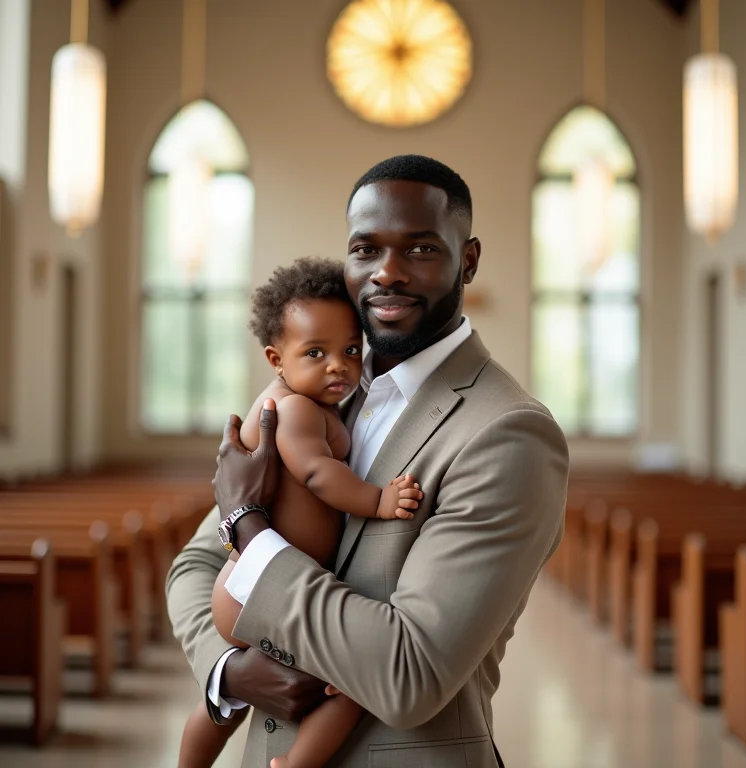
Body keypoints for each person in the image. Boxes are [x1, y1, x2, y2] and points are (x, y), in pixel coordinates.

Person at [167, 154, 570, 768]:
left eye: (420, 250)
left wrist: (247, 524)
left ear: (468, 259)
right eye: (366, 249)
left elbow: (410, 673)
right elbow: (196, 565)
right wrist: (231, 673)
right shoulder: (313, 396)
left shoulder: (509, 433)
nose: (387, 273)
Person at [177, 257, 423, 768]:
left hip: (263, 581)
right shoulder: (291, 409)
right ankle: (297, 763)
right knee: (352, 686)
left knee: (234, 702)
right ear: (276, 358)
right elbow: (315, 473)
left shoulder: (318, 400)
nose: (339, 365)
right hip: (253, 582)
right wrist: (377, 500)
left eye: (351, 350)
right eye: (316, 352)